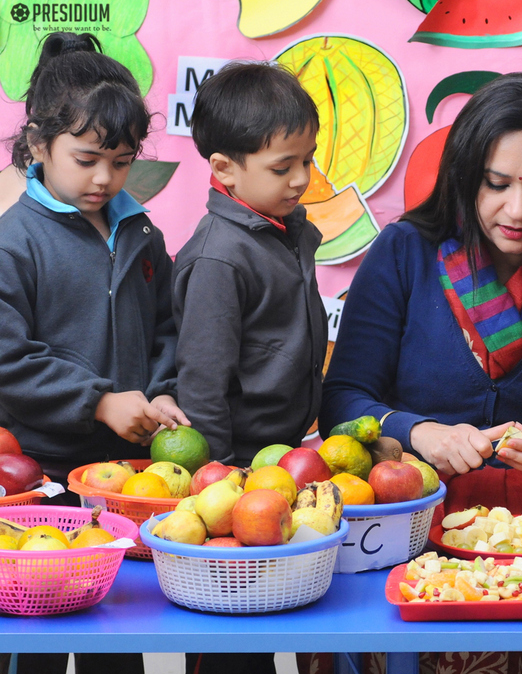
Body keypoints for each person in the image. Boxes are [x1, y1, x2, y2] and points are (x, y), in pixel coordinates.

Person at [320, 72, 522, 673]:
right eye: (497, 185)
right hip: (411, 527)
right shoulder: (404, 252)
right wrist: (420, 433)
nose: (517, 210)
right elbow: (343, 400)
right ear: (466, 176)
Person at [0, 32, 187, 674]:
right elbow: (8, 360)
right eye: (86, 159)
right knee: (40, 637)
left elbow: (167, 328)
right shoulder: (12, 243)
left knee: (117, 635)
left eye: (121, 160)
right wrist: (98, 400)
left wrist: (161, 390)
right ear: (37, 145)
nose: (104, 177)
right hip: (39, 479)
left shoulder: (142, 232)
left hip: (127, 481)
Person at [172, 61, 328, 674]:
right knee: (232, 641)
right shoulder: (219, 257)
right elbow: (203, 385)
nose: (301, 180)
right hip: (233, 474)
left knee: (275, 622)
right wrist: (218, 486)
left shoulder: (287, 229)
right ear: (224, 169)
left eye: (307, 160)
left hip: (280, 458)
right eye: (282, 167)